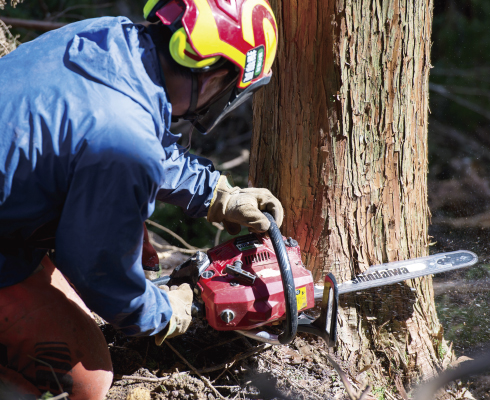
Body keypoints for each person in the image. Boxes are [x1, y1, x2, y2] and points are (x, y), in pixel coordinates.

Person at [0, 0, 282, 398]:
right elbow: (101, 272)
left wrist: (216, 194)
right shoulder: (124, 139)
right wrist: (166, 311)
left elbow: (128, 131)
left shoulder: (110, 38)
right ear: (216, 77)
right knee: (88, 382)